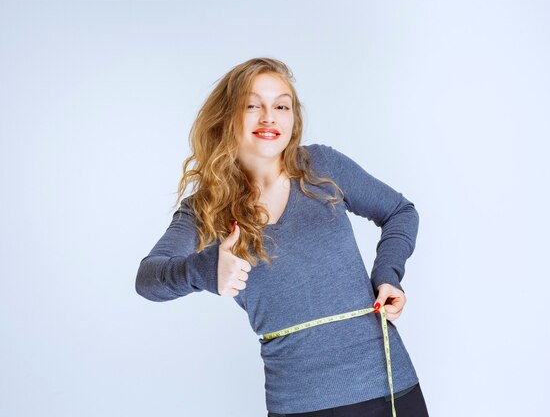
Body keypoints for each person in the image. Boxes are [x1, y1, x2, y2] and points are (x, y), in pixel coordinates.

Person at [135, 57, 429, 417]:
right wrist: (204, 270)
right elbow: (148, 279)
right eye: (252, 105)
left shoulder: (321, 167)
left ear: (293, 118)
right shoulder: (205, 208)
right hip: (298, 404)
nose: (268, 117)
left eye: (281, 105)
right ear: (228, 116)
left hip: (388, 388)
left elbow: (400, 212)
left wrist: (388, 276)